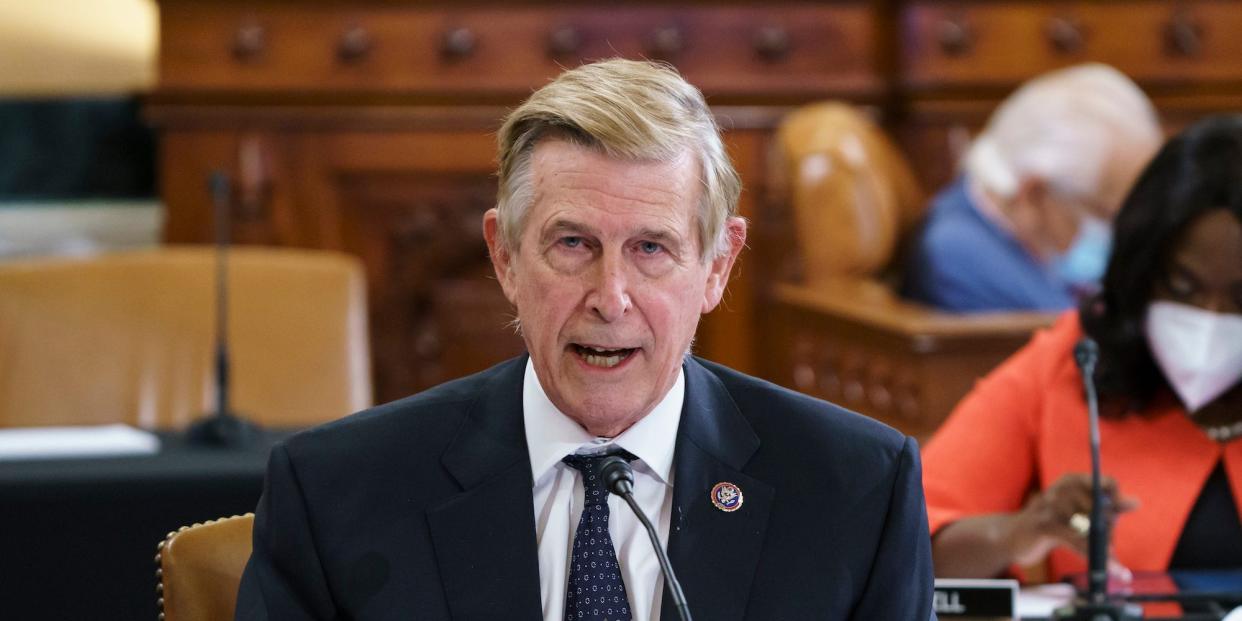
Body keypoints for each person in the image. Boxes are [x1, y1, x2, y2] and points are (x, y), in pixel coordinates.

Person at [234, 59, 934, 620]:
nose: (611, 296)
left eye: (652, 248)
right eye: (573, 243)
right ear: (505, 256)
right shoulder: (335, 492)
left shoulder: (855, 490)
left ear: (718, 265)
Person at [921, 115, 1242, 582]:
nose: (1209, 317)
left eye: (1241, 297)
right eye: (1182, 286)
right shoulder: (1075, 359)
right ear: (1139, 272)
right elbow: (912, 538)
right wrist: (1019, 533)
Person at [903, 64, 1162, 312]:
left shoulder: (1028, 242)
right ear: (1034, 195)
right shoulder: (957, 254)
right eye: (1107, 216)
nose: (1117, 236)